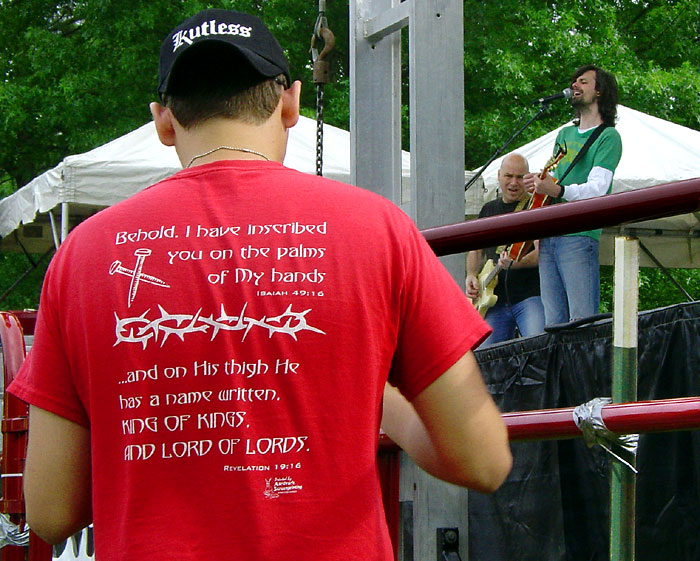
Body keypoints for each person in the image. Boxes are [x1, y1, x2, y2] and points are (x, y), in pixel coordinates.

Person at [9, 9, 511, 561]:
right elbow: (483, 459)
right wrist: (380, 396)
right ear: (291, 102)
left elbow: (52, 509)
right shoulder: (377, 229)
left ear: (164, 121)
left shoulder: (83, 254)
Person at [523, 64, 622, 326]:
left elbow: (598, 189)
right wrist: (537, 183)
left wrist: (557, 190)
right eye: (574, 81)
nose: (574, 86)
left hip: (579, 235)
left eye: (583, 82)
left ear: (600, 91)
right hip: (549, 235)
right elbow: (555, 177)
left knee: (582, 320)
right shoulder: (565, 134)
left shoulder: (608, 137)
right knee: (553, 323)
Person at [466, 153, 545, 346]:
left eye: (519, 177)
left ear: (528, 178)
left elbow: (542, 252)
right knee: (487, 358)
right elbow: (476, 250)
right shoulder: (488, 209)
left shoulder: (535, 207)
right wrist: (471, 275)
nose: (514, 182)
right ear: (499, 175)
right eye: (509, 176)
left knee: (538, 349)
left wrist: (515, 264)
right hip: (493, 301)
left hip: (529, 296)